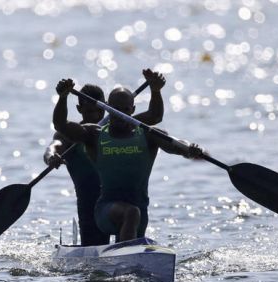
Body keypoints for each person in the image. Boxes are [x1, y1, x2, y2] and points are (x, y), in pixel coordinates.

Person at [53, 79, 202, 242]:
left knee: (135, 213)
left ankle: (127, 258)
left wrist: (190, 149)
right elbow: (61, 125)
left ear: (133, 110)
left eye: (125, 109)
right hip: (106, 211)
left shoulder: (148, 134)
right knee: (131, 213)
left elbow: (177, 144)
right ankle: (126, 261)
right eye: (116, 109)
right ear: (108, 108)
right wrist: (63, 97)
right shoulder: (94, 135)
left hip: (140, 209)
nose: (121, 114)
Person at [44, 69, 166, 246]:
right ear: (79, 109)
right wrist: (51, 157)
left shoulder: (119, 127)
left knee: (132, 217)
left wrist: (156, 90)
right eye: (89, 112)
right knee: (97, 242)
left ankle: (128, 262)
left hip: (124, 199)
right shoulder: (75, 134)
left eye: (99, 111)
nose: (94, 117)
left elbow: (154, 116)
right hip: (90, 203)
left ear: (106, 108)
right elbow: (52, 147)